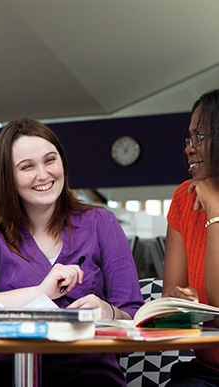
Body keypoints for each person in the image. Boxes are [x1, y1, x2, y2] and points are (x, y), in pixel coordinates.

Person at [0, 118, 144, 387]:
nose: (43, 174)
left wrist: (108, 311)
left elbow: (133, 313)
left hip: (87, 368)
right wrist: (41, 292)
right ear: (8, 177)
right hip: (6, 365)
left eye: (50, 160)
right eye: (27, 167)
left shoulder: (100, 222)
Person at [163, 88, 219, 386]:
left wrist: (214, 209)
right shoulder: (184, 200)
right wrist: (180, 304)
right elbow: (168, 315)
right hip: (205, 372)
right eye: (189, 137)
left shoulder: (205, 201)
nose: (189, 147)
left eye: (201, 136)